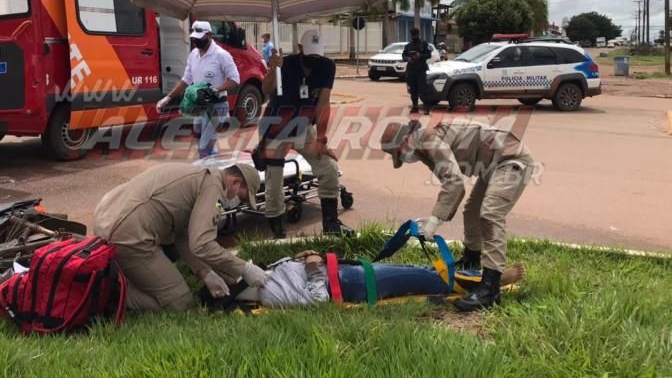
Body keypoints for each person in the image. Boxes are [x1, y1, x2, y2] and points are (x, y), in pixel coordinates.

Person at [380, 119, 535, 311]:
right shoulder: (423, 150)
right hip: (493, 166)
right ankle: (471, 259)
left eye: (399, 153)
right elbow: (450, 183)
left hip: (512, 160)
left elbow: (454, 183)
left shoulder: (427, 139)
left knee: (490, 214)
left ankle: (490, 287)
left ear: (404, 141)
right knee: (472, 212)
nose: (403, 158)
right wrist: (435, 217)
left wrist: (435, 220)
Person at [93, 162, 267, 312]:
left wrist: (205, 273)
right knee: (180, 302)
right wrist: (244, 269)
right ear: (235, 182)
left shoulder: (201, 176)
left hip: (106, 218)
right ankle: (109, 293)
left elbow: (183, 235)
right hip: (128, 233)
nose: (237, 202)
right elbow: (202, 244)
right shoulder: (214, 189)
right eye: (241, 198)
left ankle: (119, 277)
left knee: (167, 271)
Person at [259, 29, 352, 238]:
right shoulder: (286, 63)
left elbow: (323, 103)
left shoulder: (328, 66)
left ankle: (331, 224)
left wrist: (322, 138)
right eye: (310, 55)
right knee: (274, 179)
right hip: (276, 127)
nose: (314, 60)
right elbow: (265, 89)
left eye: (317, 55)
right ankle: (278, 231)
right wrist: (274, 68)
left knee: (328, 168)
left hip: (303, 127)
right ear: (300, 49)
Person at [226, 251, 525, 309]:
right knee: (422, 277)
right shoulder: (266, 295)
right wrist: (314, 267)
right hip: (348, 284)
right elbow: (316, 300)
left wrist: (301, 258)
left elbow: (295, 275)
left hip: (345, 274)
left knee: (417, 270)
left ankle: (479, 278)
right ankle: (490, 282)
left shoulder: (259, 280)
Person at [156, 21, 240, 158]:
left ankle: (209, 174)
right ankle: (215, 165)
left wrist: (215, 90)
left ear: (209, 35)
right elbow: (186, 80)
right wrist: (167, 98)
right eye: (194, 38)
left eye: (199, 38)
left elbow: (235, 80)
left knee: (204, 148)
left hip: (217, 106)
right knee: (199, 137)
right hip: (199, 106)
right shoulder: (193, 55)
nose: (195, 41)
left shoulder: (221, 55)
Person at [402, 27, 432, 115]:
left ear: (418, 34)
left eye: (415, 35)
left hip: (421, 70)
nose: (414, 36)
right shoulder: (408, 46)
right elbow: (403, 56)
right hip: (411, 70)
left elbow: (429, 55)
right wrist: (408, 59)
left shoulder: (424, 44)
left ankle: (426, 108)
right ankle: (415, 106)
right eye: (412, 35)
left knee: (423, 89)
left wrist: (420, 56)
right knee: (413, 90)